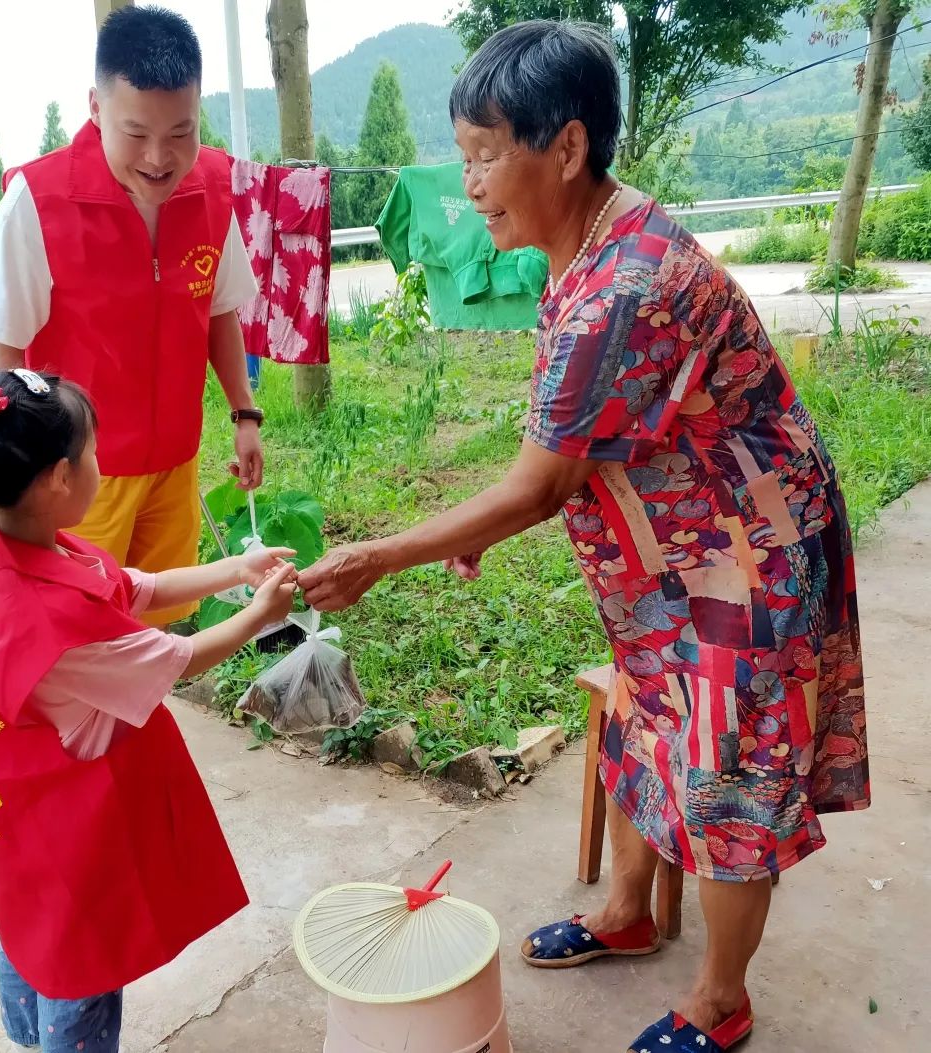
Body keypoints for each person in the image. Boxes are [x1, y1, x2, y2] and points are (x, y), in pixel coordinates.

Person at [298, 20, 869, 1053]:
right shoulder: (590, 236)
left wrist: (381, 556)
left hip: (747, 559)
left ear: (565, 148)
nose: (470, 183)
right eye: (464, 155)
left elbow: (538, 482)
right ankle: (627, 911)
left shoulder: (625, 287)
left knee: (727, 775)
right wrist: (491, 521)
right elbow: (577, 446)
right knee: (644, 721)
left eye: (486, 154)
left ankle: (722, 999)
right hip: (669, 549)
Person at [0, 369, 297, 1053]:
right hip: (74, 851)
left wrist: (238, 570)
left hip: (31, 823)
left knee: (31, 933)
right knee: (79, 975)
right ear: (59, 478)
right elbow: (179, 657)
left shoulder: (36, 554)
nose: (101, 463)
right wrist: (260, 615)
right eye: (92, 453)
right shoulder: (64, 626)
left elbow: (140, 587)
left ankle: (29, 1032)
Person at [0, 5, 264, 630]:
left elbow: (218, 310)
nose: (159, 158)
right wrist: (18, 479)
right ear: (95, 106)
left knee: (157, 626)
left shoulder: (213, 188)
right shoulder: (39, 201)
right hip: (76, 476)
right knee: (78, 633)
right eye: (136, 133)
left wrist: (244, 414)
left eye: (181, 132)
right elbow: (3, 356)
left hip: (175, 462)